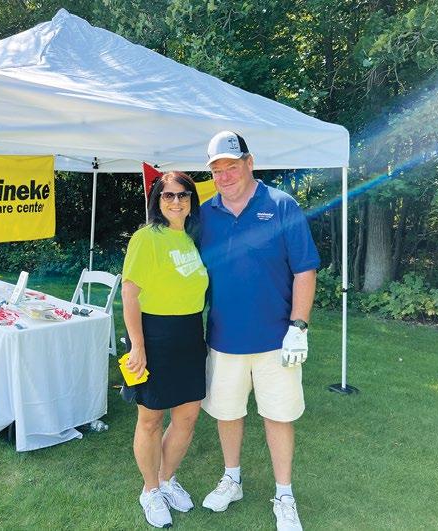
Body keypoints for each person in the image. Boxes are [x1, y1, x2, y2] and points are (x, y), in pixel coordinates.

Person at [199, 131, 320, 531]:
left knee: (278, 416)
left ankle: (284, 494)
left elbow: (305, 269)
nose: (224, 176)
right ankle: (231, 479)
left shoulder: (282, 205)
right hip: (223, 338)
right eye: (217, 170)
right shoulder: (205, 213)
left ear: (250, 163)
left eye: (231, 166)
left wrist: (298, 326)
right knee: (227, 413)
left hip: (275, 340)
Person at [122, 171, 209, 528]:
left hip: (190, 334)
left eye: (183, 195)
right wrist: (137, 345)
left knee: (187, 417)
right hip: (154, 335)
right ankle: (150, 490)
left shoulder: (193, 238)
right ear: (156, 201)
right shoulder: (146, 238)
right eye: (168, 195)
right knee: (151, 419)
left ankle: (167, 479)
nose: (176, 201)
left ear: (191, 200)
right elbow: (130, 293)